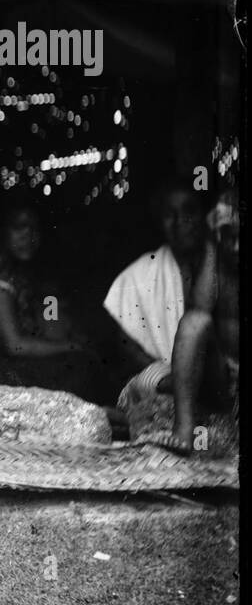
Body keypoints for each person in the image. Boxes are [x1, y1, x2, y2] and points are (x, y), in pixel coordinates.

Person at [0, 193, 106, 403]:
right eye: (19, 227)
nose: (28, 236)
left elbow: (51, 322)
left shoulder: (13, 272)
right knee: (78, 364)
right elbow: (16, 345)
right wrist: (74, 346)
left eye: (34, 229)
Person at [104, 179, 207, 435]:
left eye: (189, 211)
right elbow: (127, 344)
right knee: (149, 393)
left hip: (211, 379)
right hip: (160, 379)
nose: (179, 221)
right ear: (160, 223)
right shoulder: (139, 275)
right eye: (169, 215)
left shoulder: (220, 269)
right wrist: (166, 377)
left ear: (204, 216)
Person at [143, 191, 239, 453]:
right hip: (224, 378)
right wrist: (211, 243)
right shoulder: (216, 258)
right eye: (231, 237)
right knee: (195, 322)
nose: (237, 247)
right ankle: (184, 431)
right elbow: (199, 309)